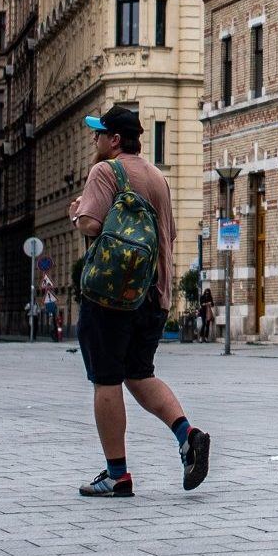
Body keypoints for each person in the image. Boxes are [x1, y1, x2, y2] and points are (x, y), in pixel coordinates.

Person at [68, 105, 210, 498]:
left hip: (112, 297)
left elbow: (92, 225)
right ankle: (187, 435)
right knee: (139, 373)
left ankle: (117, 475)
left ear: (115, 140)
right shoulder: (157, 178)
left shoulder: (106, 171)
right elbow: (170, 237)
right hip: (154, 296)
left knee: (107, 379)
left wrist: (78, 213)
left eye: (99, 134)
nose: (95, 140)